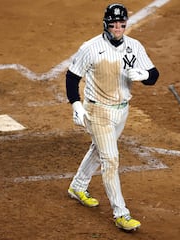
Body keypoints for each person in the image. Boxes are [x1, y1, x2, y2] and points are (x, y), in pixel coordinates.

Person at [65, 3, 159, 231]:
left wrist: (144, 75)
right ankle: (121, 214)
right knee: (110, 159)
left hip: (122, 110)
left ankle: (78, 186)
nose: (118, 27)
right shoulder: (91, 47)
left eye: (121, 23)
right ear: (106, 24)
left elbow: (154, 75)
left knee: (99, 150)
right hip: (98, 111)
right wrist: (76, 105)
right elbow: (72, 77)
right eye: (113, 23)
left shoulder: (134, 47)